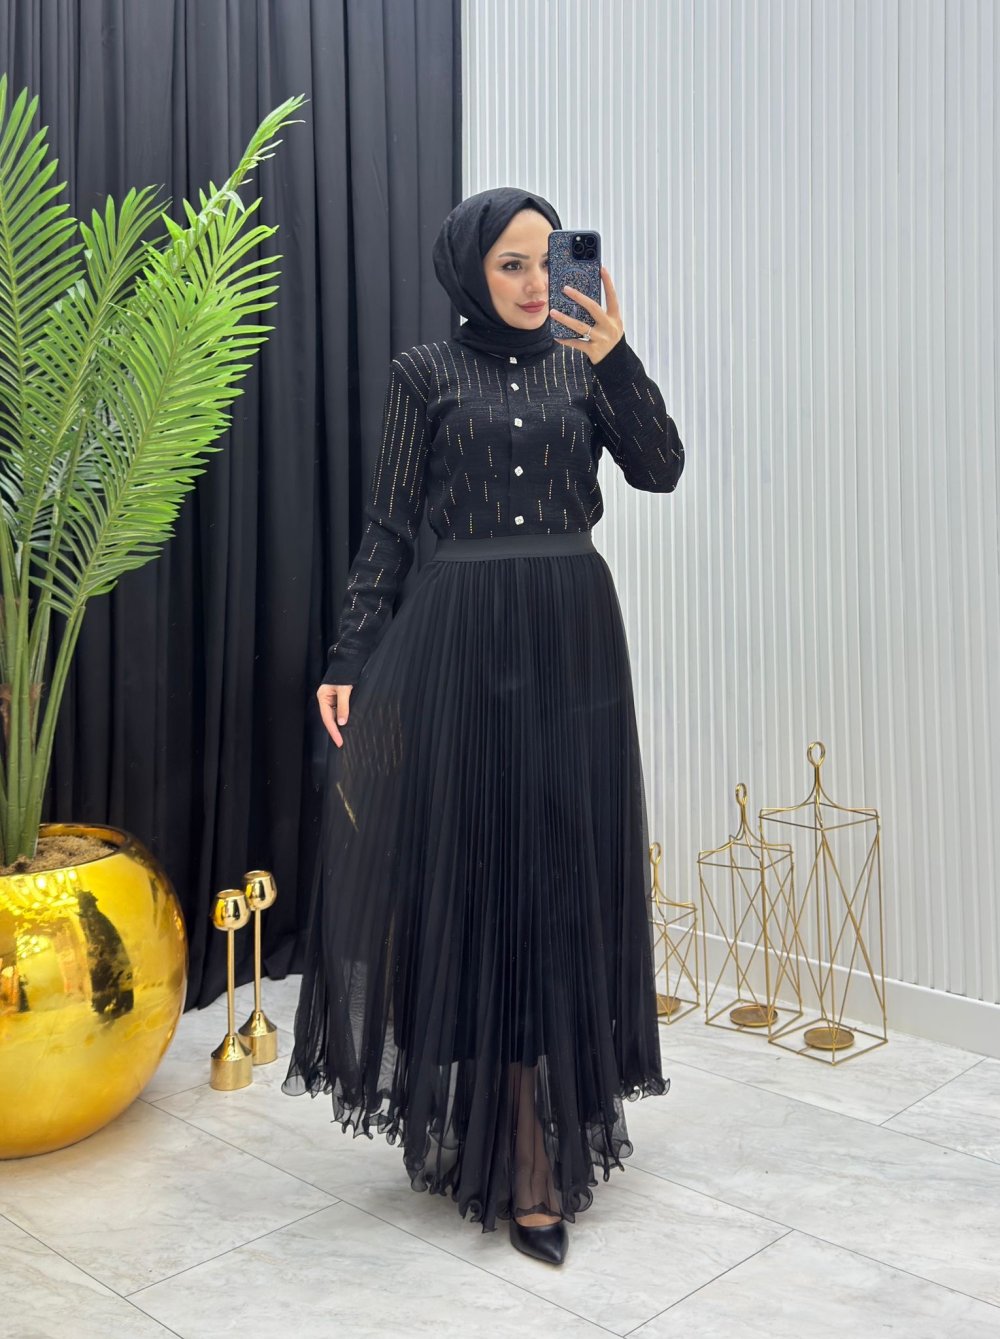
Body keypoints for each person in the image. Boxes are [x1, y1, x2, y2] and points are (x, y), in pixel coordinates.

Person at [283, 187, 685, 1267]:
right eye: (512, 263)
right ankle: (509, 1130)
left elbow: (660, 468)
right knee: (483, 870)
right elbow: (389, 524)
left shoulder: (583, 368)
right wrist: (351, 654)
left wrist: (615, 356)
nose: (535, 282)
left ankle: (543, 1125)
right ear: (470, 269)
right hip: (460, 641)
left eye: (549, 260)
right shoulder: (424, 374)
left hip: (571, 639)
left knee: (557, 871)